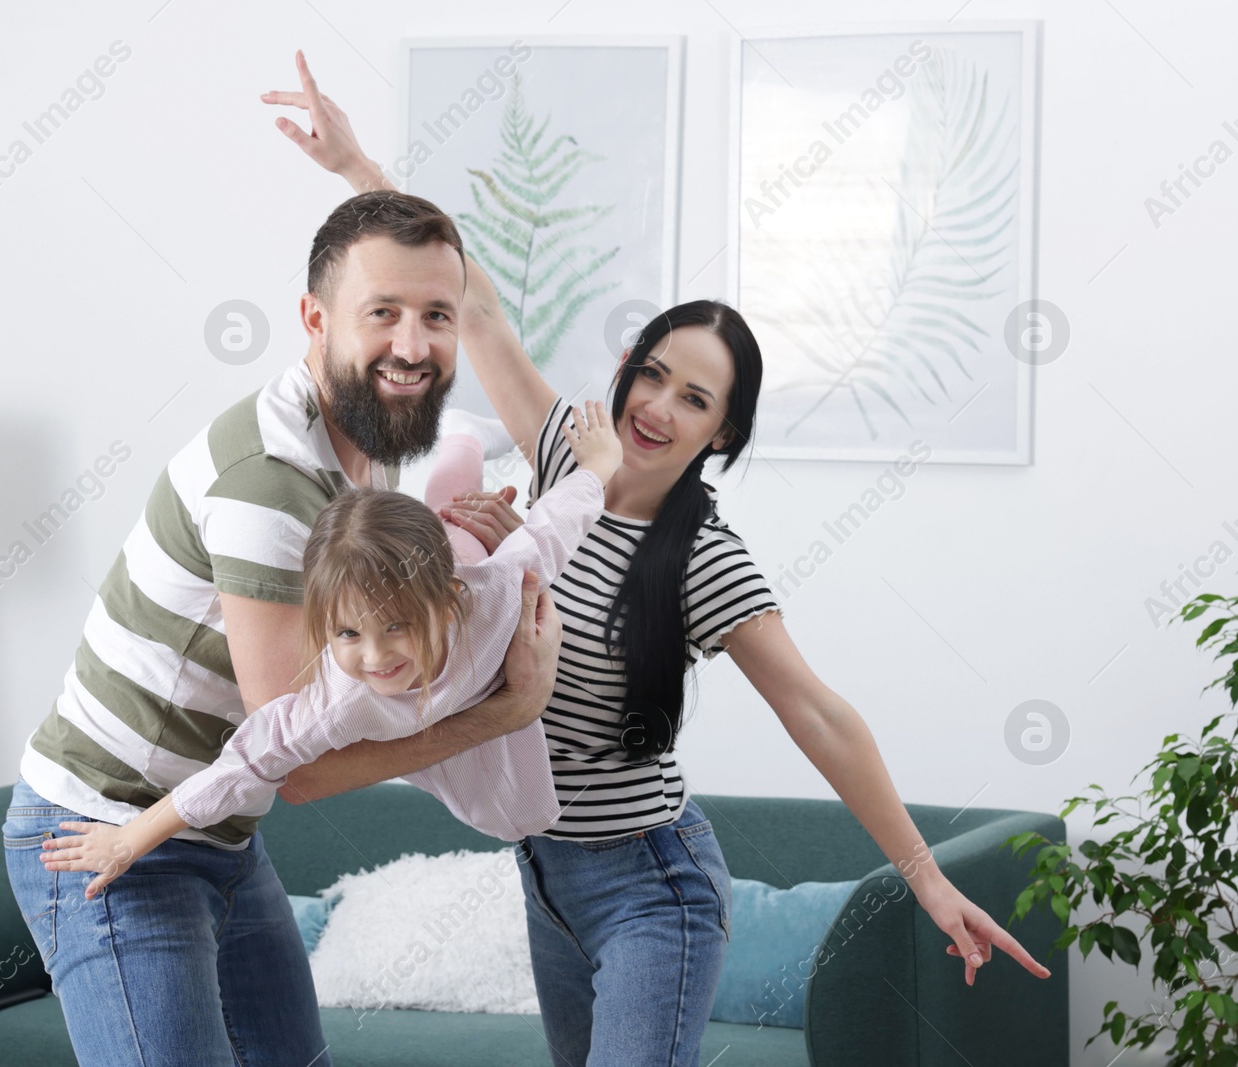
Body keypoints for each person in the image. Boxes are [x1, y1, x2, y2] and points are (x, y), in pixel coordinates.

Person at [262, 50, 1053, 1067]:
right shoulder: (556, 456)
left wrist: (927, 877)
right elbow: (479, 303)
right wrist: (356, 165)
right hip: (544, 875)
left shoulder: (704, 560)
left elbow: (816, 711)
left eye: (695, 399)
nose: (657, 406)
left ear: (720, 435)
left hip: (652, 884)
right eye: (653, 373)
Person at [2, 188, 567, 1067]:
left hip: (218, 834)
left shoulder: (359, 446)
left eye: (436, 316)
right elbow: (299, 760)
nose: (413, 346)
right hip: (110, 834)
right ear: (314, 318)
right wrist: (503, 710)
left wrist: (467, 568)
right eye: (382, 313)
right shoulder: (272, 486)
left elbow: (373, 630)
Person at [38, 402, 623, 898]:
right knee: (446, 524)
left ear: (448, 606)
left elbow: (555, 525)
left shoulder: (498, 592)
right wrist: (128, 839)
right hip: (441, 667)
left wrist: (601, 462)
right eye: (348, 634)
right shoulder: (335, 702)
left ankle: (462, 437)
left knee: (457, 516)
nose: (375, 658)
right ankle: (460, 444)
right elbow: (241, 767)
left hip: (459, 574)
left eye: (396, 628)